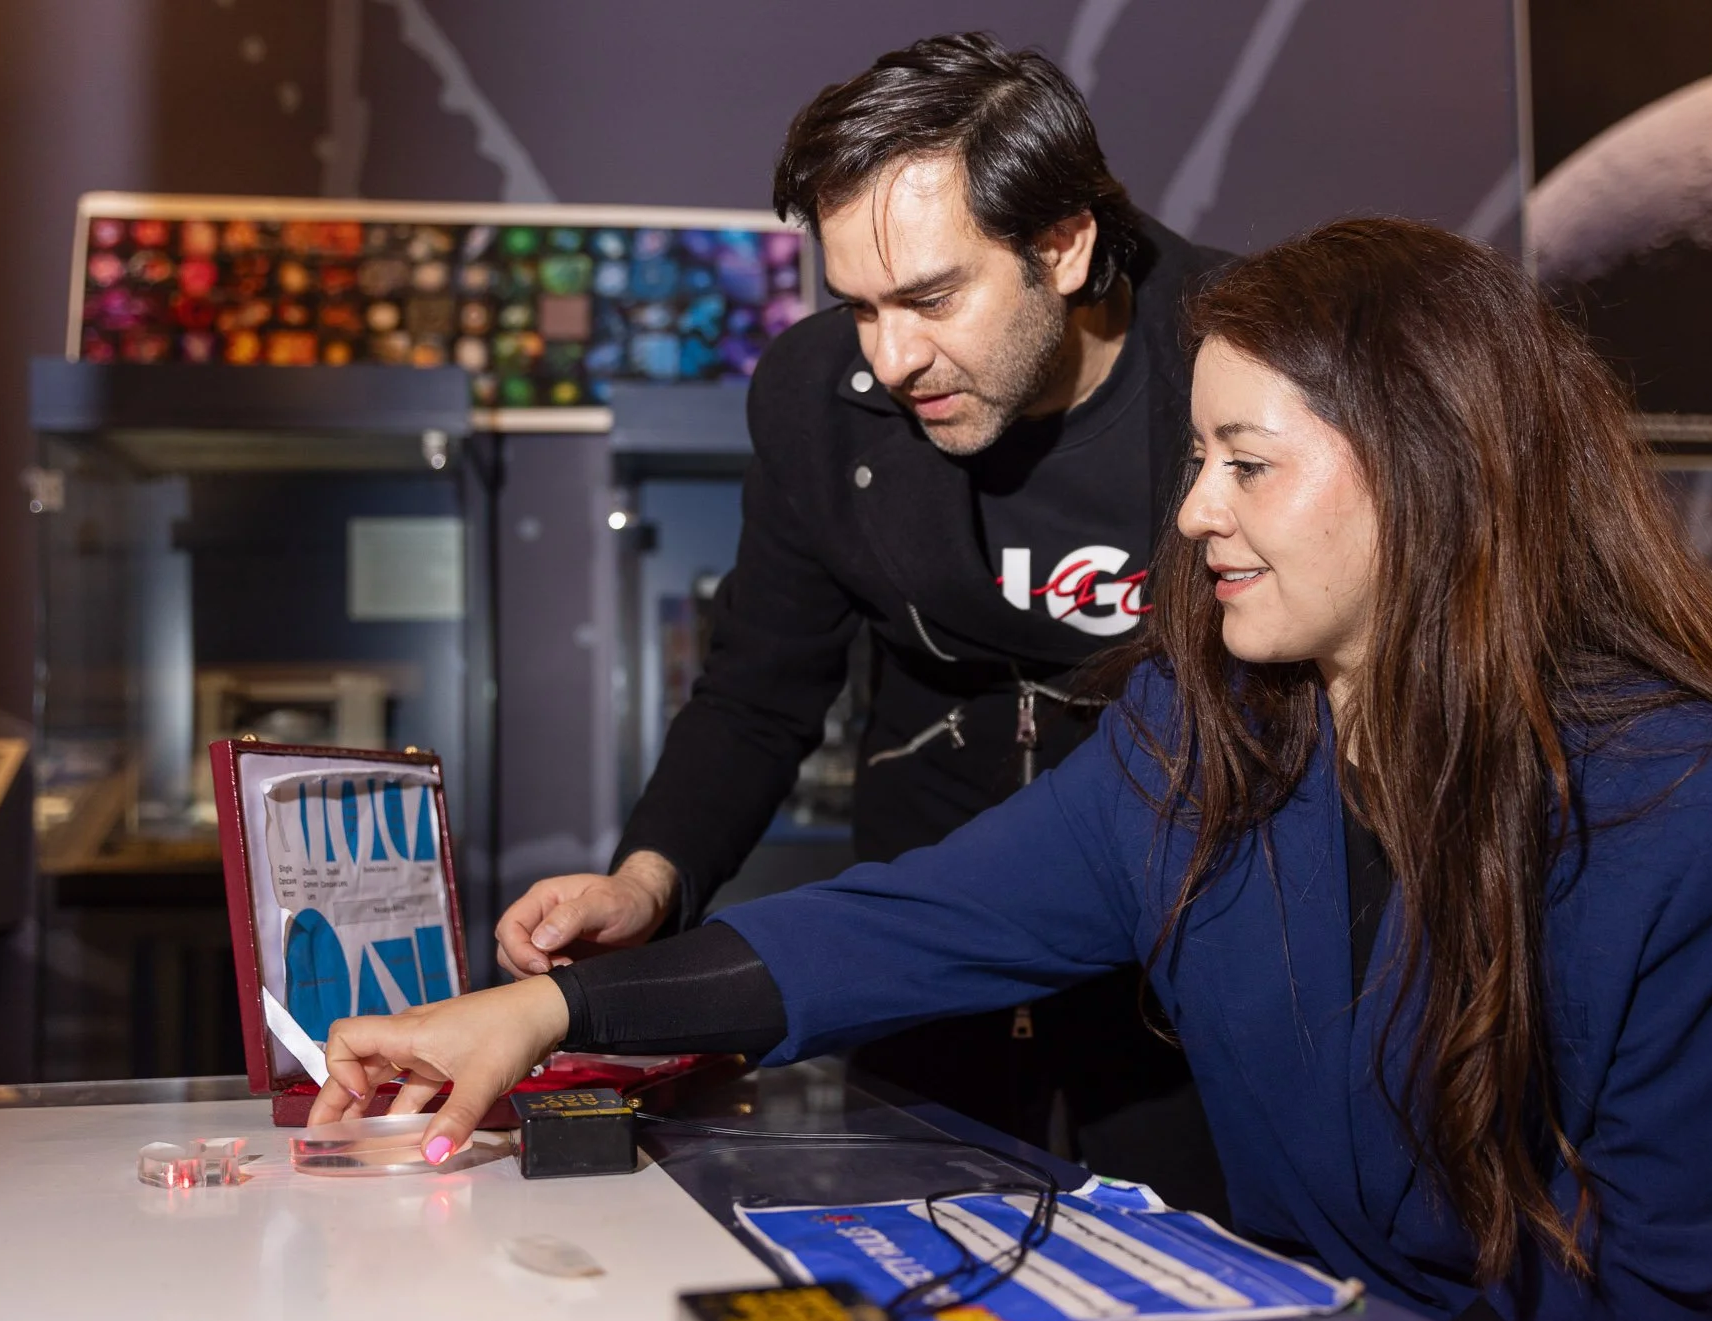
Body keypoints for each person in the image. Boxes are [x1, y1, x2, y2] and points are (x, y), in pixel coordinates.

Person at [315, 219, 1712, 1321]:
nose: (1189, 513)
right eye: (1193, 458)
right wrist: (542, 1017)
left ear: (1437, 469)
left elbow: (1649, 1318)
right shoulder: (1202, 742)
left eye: (1242, 461)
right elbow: (904, 923)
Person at [492, 34, 1231, 1205]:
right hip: (920, 947)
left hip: (1190, 951)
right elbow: (758, 685)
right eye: (860, 308)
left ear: (1065, 243)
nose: (890, 358)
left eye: (930, 298)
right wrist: (645, 881)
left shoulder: (1240, 360)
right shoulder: (816, 402)